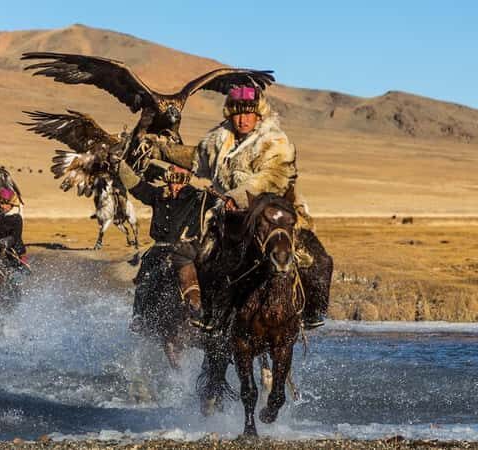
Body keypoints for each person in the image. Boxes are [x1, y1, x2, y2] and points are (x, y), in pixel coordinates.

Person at [158, 85, 334, 329]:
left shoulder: (275, 142)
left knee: (319, 260)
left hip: (273, 217)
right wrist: (160, 150)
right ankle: (206, 313)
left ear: (258, 115)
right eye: (237, 113)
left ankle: (312, 313)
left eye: (248, 113)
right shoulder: (219, 138)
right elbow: (196, 159)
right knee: (193, 256)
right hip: (229, 219)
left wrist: (237, 196)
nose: (242, 119)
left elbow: (270, 178)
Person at [117, 161, 216, 332]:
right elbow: (136, 185)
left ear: (186, 177)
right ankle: (139, 316)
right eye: (171, 180)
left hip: (186, 251)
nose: (173, 186)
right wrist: (119, 166)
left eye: (177, 180)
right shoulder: (157, 194)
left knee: (196, 280)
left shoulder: (200, 197)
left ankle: (201, 317)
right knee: (144, 280)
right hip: (159, 249)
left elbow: (223, 193)